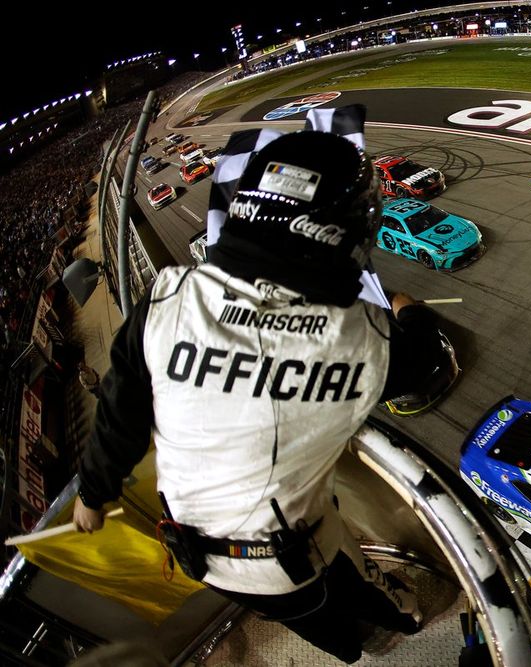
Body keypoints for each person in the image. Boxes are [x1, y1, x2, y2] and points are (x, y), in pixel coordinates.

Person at [72, 121, 441, 663]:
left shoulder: (166, 300)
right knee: (355, 584)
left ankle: (348, 654)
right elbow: (426, 359)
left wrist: (92, 494)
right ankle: (404, 617)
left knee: (311, 625)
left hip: (203, 560)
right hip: (297, 554)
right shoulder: (361, 337)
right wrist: (408, 308)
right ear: (349, 229)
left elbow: (118, 413)